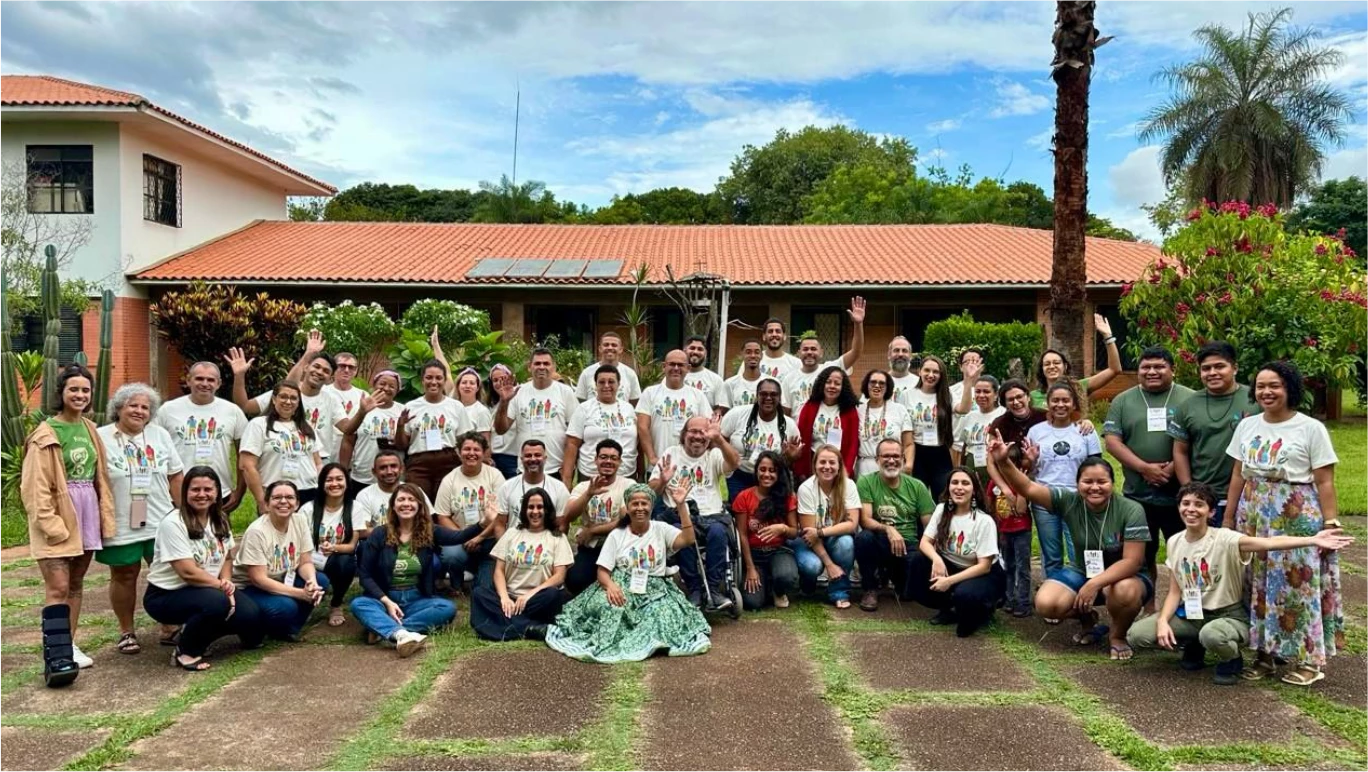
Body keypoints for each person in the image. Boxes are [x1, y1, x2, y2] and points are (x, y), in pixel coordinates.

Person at [1128, 482, 1354, 685]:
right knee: (1137, 635)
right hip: (1192, 614)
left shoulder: (1225, 539)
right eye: (1185, 503)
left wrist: (1312, 539)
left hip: (1228, 615)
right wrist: (1163, 622)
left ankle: (1231, 658)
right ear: (1178, 508)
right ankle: (1194, 644)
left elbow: (1269, 542)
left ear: (1211, 512)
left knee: (1213, 634)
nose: (1191, 509)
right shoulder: (1175, 542)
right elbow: (1175, 592)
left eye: (1199, 504)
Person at [1224, 361, 1345, 686]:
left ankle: (1309, 659)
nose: (1266, 392)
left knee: (1297, 585)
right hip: (1253, 513)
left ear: (1290, 388)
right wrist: (1228, 516)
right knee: (1257, 584)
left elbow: (1325, 481)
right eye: (1261, 386)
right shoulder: (1247, 426)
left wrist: (1330, 521)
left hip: (1296, 514)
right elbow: (1238, 474)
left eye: (1274, 385)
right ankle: (1265, 654)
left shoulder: (1309, 428)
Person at [989, 432, 1152, 661]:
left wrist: (1095, 583)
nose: (1094, 487)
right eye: (1087, 482)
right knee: (1046, 604)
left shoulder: (1131, 509)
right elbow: (1028, 488)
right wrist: (1003, 461)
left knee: (1122, 591)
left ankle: (1117, 636)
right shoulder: (1069, 501)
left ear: (1113, 484)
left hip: (1124, 576)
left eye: (1102, 482)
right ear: (1077, 484)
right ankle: (1088, 621)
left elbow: (1132, 561)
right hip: (1081, 569)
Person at [546, 481, 712, 662]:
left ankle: (647, 639)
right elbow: (602, 571)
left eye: (644, 503)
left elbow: (688, 539)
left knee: (660, 615)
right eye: (635, 503)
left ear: (651, 506)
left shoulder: (660, 529)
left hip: (655, 589)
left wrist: (681, 505)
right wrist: (610, 586)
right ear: (628, 507)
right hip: (621, 585)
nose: (640, 508)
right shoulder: (617, 534)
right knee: (611, 609)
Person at [21, 364, 116, 670]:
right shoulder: (45, 434)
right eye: (73, 389)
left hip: (87, 510)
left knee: (75, 583)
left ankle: (69, 644)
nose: (79, 395)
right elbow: (34, 487)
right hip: (60, 515)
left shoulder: (89, 428)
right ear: (61, 393)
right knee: (58, 587)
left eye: (85, 390)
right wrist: (51, 525)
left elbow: (99, 474)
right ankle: (56, 653)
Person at [1103, 346, 1195, 611]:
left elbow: (1195, 442)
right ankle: (1149, 609)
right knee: (1143, 554)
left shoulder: (1189, 398)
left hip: (1179, 495)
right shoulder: (1123, 400)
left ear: (1172, 369)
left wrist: (1171, 470)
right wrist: (1145, 468)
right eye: (1146, 367)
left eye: (1159, 367)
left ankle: (1188, 608)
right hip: (1137, 494)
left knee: (1185, 553)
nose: (1152, 372)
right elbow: (1112, 442)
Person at [144, 467, 264, 671]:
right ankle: (186, 650)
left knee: (252, 621)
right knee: (218, 604)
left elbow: (227, 556)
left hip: (208, 588)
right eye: (195, 489)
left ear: (217, 492)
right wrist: (222, 589)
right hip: (167, 595)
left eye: (208, 489)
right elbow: (187, 572)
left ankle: (196, 632)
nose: (202, 495)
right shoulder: (173, 523)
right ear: (185, 492)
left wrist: (227, 583)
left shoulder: (220, 518)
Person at [96, 383, 185, 655]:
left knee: (167, 571)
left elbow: (175, 475)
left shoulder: (159, 435)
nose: (139, 411)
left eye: (145, 407)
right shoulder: (101, 437)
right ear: (119, 408)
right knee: (124, 574)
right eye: (133, 405)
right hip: (122, 520)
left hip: (160, 518)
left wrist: (184, 515)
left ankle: (170, 626)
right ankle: (127, 631)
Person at [352, 483, 481, 657]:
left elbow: (460, 537)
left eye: (411, 499)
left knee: (446, 608)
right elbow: (365, 576)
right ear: (393, 506)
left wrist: (484, 522)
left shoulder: (429, 531)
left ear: (420, 505)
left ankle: (386, 629)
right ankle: (400, 633)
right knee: (359, 604)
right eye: (401, 499)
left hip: (416, 599)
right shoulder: (379, 534)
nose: (406, 503)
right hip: (385, 598)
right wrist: (387, 602)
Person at [648, 415, 740, 609]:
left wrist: (720, 440)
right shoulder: (671, 453)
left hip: (711, 516)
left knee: (718, 532)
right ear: (684, 434)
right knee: (679, 533)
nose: (697, 436)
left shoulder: (713, 455)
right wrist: (663, 480)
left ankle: (714, 589)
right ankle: (695, 589)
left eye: (702, 432)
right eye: (693, 431)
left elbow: (734, 463)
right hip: (680, 515)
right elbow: (650, 491)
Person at [907, 468, 1006, 637]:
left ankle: (983, 609)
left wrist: (948, 581)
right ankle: (948, 608)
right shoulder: (942, 509)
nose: (959, 487)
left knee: (964, 621)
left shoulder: (984, 521)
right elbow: (924, 542)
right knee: (916, 560)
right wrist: (937, 559)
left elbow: (984, 566)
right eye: (955, 482)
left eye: (965, 483)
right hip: (951, 565)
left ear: (974, 490)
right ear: (948, 487)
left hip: (982, 574)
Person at [1168, 341, 1258, 524]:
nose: (1212, 373)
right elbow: (1180, 451)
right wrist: (1190, 491)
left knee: (1244, 551)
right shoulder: (1188, 405)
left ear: (1235, 368)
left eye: (1219, 366)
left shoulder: (1256, 401)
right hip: (1205, 498)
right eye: (1206, 368)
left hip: (1249, 494)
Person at [471, 488, 574, 641]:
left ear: (547, 510)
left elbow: (559, 576)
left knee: (553, 595)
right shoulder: (512, 533)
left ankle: (502, 624)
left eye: (540, 507)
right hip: (510, 598)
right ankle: (529, 628)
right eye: (530, 507)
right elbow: (499, 570)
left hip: (537, 599)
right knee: (479, 594)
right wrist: (505, 598)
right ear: (524, 509)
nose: (535, 511)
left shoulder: (557, 537)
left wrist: (529, 595)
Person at [232, 480, 328, 641]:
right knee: (285, 607)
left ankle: (288, 629)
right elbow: (258, 579)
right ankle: (257, 629)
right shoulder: (257, 531)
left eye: (289, 497)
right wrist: (300, 594)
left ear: (297, 504)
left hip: (280, 577)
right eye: (277, 497)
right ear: (267, 504)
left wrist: (311, 582)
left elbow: (305, 562)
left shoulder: (299, 521)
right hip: (248, 588)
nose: (284, 501)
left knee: (320, 581)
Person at [1026, 382, 1101, 581]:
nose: (1061, 405)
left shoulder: (1085, 431)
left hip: (1077, 500)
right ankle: (1053, 599)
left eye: (1066, 400)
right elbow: (1030, 470)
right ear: (1048, 403)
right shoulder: (1035, 432)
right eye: (1055, 400)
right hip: (1045, 499)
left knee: (1079, 553)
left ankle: (1080, 597)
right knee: (1051, 556)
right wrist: (1030, 461)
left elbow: (1097, 467)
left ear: (1074, 403)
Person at [155, 361, 249, 512]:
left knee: (217, 535)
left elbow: (244, 455)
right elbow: (155, 450)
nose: (205, 384)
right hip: (178, 493)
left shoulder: (232, 411)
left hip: (219, 492)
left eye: (211, 380)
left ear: (218, 383)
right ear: (188, 380)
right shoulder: (167, 410)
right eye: (199, 379)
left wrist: (239, 492)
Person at [854, 439, 936, 612]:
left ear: (903, 459)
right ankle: (870, 588)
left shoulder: (917, 486)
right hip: (882, 541)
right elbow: (865, 520)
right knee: (864, 538)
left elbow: (930, 526)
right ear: (877, 460)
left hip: (908, 544)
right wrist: (889, 529)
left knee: (910, 593)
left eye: (896, 456)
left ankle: (894, 577)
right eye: (886, 456)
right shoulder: (866, 482)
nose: (891, 460)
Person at [229, 342, 341, 460]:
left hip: (319, 459)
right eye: (316, 366)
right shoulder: (281, 396)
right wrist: (239, 376)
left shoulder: (331, 399)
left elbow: (347, 428)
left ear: (330, 378)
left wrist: (362, 411)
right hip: (283, 457)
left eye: (325, 370)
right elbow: (245, 405)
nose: (319, 372)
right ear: (306, 367)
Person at [433, 432, 505, 586]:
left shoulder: (495, 476)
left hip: (489, 539)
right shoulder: (449, 480)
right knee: (452, 555)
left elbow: (501, 515)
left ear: (484, 452)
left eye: (476, 450)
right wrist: (464, 536)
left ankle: (479, 574)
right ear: (458, 452)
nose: (471, 453)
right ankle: (456, 584)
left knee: (483, 586)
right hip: (461, 539)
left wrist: (479, 537)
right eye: (467, 449)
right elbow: (442, 516)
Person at [562, 440, 633, 594]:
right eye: (603, 457)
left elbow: (626, 520)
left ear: (620, 462)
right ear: (596, 460)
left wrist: (593, 530)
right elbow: (568, 515)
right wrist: (588, 494)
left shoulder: (628, 485)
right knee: (574, 581)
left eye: (613, 458)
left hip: (620, 547)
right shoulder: (583, 487)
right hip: (592, 547)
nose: (608, 461)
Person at [794, 444, 860, 609]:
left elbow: (852, 524)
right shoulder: (806, 488)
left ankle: (839, 592)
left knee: (846, 543)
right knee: (812, 566)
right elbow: (809, 534)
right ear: (815, 465)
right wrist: (829, 565)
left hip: (832, 536)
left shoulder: (849, 485)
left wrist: (822, 531)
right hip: (808, 541)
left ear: (839, 466)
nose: (827, 467)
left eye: (832, 463)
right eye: (822, 462)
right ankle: (807, 583)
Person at [494, 348, 579, 477]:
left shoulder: (565, 392)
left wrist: (568, 469)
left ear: (554, 367)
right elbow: (501, 429)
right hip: (526, 468)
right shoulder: (518, 392)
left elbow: (575, 434)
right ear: (530, 367)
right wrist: (504, 402)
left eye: (546, 364)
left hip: (556, 468)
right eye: (537, 363)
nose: (541, 367)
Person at [239, 381, 323, 510]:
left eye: (293, 398)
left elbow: (317, 462)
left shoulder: (306, 427)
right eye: (283, 396)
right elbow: (247, 466)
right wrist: (262, 501)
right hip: (277, 494)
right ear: (273, 399)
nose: (288, 402)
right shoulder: (259, 425)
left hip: (309, 492)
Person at [396, 359, 472, 501]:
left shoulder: (456, 407)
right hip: (419, 464)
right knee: (418, 504)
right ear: (422, 380)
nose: (434, 382)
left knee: (444, 505)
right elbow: (402, 445)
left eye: (438, 378)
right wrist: (400, 426)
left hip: (448, 461)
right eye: (429, 377)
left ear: (444, 380)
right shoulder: (411, 406)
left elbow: (464, 440)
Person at [733, 451, 800, 610]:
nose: (767, 474)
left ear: (778, 473)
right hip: (754, 555)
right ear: (756, 472)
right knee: (752, 603)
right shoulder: (744, 497)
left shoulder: (787, 496)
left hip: (779, 551)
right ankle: (765, 581)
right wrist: (749, 568)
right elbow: (742, 534)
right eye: (762, 469)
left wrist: (782, 528)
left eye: (772, 470)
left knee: (786, 577)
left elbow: (794, 532)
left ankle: (777, 589)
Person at [718, 378, 801, 503]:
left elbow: (788, 462)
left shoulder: (789, 425)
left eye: (773, 394)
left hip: (771, 478)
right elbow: (721, 440)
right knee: (741, 511)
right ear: (757, 396)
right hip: (739, 475)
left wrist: (790, 458)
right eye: (763, 394)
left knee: (766, 514)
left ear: (780, 398)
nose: (768, 398)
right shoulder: (737, 414)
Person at [297, 464, 359, 627]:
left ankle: (336, 604)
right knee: (319, 579)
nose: (334, 484)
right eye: (329, 480)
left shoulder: (355, 507)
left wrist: (333, 548)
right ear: (322, 483)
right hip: (308, 559)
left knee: (346, 562)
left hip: (336, 557)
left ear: (347, 482)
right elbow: (298, 543)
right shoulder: (308, 509)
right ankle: (307, 604)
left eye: (339, 479)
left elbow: (352, 546)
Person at [781, 297, 867, 409]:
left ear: (821, 352)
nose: (809, 352)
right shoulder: (789, 379)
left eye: (813, 349)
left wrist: (858, 324)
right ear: (798, 353)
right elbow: (786, 412)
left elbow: (856, 352)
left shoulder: (830, 370)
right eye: (805, 349)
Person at [637, 349, 711, 471]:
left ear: (688, 368)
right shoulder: (650, 393)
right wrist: (652, 457)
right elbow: (642, 427)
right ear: (664, 366)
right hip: (658, 466)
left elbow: (707, 428)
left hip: (689, 465)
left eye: (681, 365)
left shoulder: (698, 396)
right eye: (672, 364)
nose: (676, 368)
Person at [565, 364, 638, 484]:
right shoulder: (584, 409)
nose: (606, 386)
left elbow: (636, 443)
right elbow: (572, 444)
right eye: (601, 382)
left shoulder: (628, 409)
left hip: (625, 475)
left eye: (611, 382)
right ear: (596, 385)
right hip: (591, 475)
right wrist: (567, 479)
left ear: (619, 384)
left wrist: (640, 473)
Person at [1030, 313, 1122, 408]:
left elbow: (1114, 369)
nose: (1052, 366)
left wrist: (1108, 336)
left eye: (1056, 363)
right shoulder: (1033, 396)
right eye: (1047, 364)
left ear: (1065, 366)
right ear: (1042, 369)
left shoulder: (1078, 388)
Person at [337, 370, 405, 495]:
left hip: (392, 477)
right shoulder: (361, 407)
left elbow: (407, 442)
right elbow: (348, 440)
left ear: (397, 390)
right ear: (374, 385)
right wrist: (343, 470)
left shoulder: (402, 410)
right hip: (362, 475)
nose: (386, 388)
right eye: (382, 384)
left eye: (392, 386)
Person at [989, 443, 1034, 617]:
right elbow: (991, 506)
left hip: (1022, 530)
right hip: (1004, 530)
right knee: (1008, 565)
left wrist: (1021, 489)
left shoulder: (1023, 482)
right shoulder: (995, 483)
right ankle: (1009, 598)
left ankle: (1023, 602)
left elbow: (1022, 509)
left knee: (1023, 567)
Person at [794, 366, 860, 480]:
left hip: (838, 466)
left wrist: (846, 471)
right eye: (828, 382)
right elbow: (801, 439)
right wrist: (801, 471)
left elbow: (853, 444)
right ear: (822, 384)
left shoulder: (850, 410)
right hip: (814, 464)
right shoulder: (810, 406)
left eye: (837, 383)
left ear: (843, 387)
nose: (832, 386)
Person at [353, 450, 432, 539]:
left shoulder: (416, 491)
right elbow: (363, 532)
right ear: (374, 472)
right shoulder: (365, 495)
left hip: (415, 541)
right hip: (380, 544)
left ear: (402, 469)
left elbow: (429, 523)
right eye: (383, 468)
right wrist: (401, 531)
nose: (389, 472)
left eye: (393, 466)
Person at [906, 355, 955, 498]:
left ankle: (943, 521)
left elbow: (963, 409)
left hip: (940, 452)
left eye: (936, 372)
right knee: (916, 496)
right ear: (919, 371)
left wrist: (970, 380)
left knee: (943, 496)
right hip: (916, 451)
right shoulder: (907, 395)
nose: (931, 375)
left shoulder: (947, 395)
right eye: (927, 370)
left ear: (941, 375)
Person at [324, 350, 369, 494]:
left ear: (356, 371)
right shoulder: (323, 392)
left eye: (351, 367)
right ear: (333, 368)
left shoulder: (363, 395)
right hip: (327, 452)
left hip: (354, 457)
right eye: (342, 366)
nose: (346, 370)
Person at [856, 370, 913, 476]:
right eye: (873, 382)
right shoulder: (857, 410)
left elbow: (908, 443)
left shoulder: (899, 410)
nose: (877, 386)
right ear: (866, 385)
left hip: (892, 466)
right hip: (864, 469)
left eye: (882, 383)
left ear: (888, 388)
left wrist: (908, 465)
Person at [952, 374, 1006, 486]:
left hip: (996, 467)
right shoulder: (968, 416)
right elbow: (962, 446)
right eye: (978, 391)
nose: (981, 395)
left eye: (986, 392)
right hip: (972, 466)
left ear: (996, 395)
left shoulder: (1004, 415)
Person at [575, 331, 642, 403]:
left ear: (620, 349)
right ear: (600, 348)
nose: (610, 347)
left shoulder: (630, 374)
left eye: (614, 345)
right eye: (606, 345)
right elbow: (579, 401)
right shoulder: (587, 373)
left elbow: (635, 403)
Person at [724, 340, 788, 410]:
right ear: (742, 354)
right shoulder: (730, 384)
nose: (753, 356)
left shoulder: (773, 383)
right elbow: (725, 412)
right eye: (748, 352)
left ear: (761, 355)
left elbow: (781, 409)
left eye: (757, 352)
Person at [988, 379, 1046, 452]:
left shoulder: (1044, 417)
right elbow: (990, 461)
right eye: (1010, 399)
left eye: (1019, 397)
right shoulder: (999, 424)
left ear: (1028, 397)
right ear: (1005, 404)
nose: (1016, 402)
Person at [683, 335, 730, 416]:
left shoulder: (716, 380)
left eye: (700, 349)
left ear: (705, 353)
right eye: (692, 348)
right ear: (684, 351)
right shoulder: (675, 377)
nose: (695, 352)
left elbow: (720, 408)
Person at [487, 363, 519, 478]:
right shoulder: (492, 405)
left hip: (512, 457)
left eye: (503, 379)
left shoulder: (518, 399)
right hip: (495, 457)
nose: (499, 383)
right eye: (495, 380)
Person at [452, 366, 494, 451]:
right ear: (458, 386)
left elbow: (485, 442)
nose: (467, 386)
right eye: (464, 382)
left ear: (477, 388)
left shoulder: (481, 411)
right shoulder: (451, 408)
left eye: (472, 383)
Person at [752, 317, 803, 384]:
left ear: (784, 336)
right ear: (764, 336)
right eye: (770, 331)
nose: (774, 334)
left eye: (778, 331)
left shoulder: (796, 364)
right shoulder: (753, 360)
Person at [886, 336, 920, 408]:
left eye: (904, 350)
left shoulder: (919, 383)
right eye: (896, 350)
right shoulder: (878, 382)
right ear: (889, 355)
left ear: (910, 356)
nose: (900, 354)